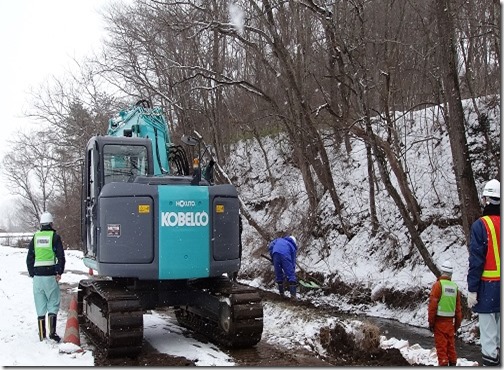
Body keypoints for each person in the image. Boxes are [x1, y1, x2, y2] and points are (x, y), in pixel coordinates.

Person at [467, 179, 501, 366]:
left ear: (486, 200)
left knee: (489, 339)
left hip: (488, 288)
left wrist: (472, 289)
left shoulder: (481, 225)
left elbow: (476, 261)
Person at [26, 211, 66, 342]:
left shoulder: (35, 237)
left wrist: (32, 273)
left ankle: (42, 334)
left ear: (41, 224)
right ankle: (52, 333)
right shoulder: (55, 237)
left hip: (37, 276)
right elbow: (61, 256)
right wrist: (59, 272)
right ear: (51, 223)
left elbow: (29, 257)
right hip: (50, 275)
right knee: (53, 302)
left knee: (40, 303)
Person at [428, 260, 463, 366]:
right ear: (451, 274)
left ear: (442, 272)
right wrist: (456, 326)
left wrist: (431, 323)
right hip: (450, 323)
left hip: (439, 322)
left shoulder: (438, 286)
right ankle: (453, 364)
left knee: (441, 348)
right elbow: (458, 310)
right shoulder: (455, 287)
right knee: (451, 347)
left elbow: (432, 307)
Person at [268, 235, 298, 299]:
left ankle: (281, 294)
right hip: (285, 255)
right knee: (291, 275)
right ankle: (293, 296)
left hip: (275, 254)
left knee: (278, 274)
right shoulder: (292, 246)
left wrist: (273, 257)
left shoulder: (278, 240)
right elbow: (293, 261)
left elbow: (271, 246)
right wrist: (292, 271)